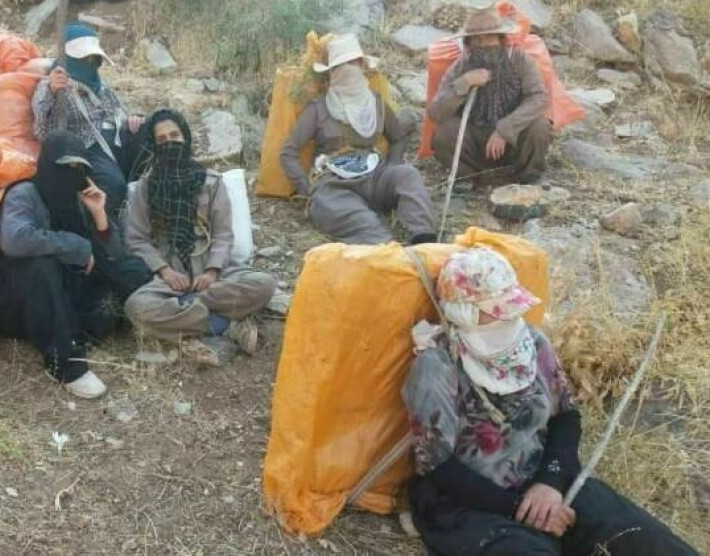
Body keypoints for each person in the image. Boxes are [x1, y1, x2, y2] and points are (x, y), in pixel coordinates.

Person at [402, 248, 699, 556]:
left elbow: (566, 416)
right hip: (469, 503)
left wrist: (551, 482)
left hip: (543, 479)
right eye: (498, 310)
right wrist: (523, 509)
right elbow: (437, 468)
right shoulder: (436, 368)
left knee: (637, 535)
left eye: (512, 306)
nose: (510, 316)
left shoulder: (531, 343)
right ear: (465, 314)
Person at [0, 130, 152, 399]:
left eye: (79, 168)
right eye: (65, 166)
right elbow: (14, 239)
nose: (71, 175)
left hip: (68, 286)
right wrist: (76, 246)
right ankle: (64, 364)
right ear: (48, 164)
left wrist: (99, 214)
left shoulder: (77, 199)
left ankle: (74, 327)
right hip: (23, 298)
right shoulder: (25, 193)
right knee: (43, 267)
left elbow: (114, 253)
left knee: (132, 272)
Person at [125, 110, 275, 366]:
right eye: (162, 139)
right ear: (154, 145)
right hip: (171, 275)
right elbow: (137, 239)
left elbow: (223, 234)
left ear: (185, 137)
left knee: (264, 284)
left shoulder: (211, 182)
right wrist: (166, 272)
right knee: (136, 308)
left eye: (175, 135)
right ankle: (223, 323)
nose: (170, 142)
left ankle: (187, 314)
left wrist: (212, 272)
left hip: (212, 272)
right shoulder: (146, 187)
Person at [280, 34, 437, 246]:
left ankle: (424, 239)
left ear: (362, 66)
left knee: (407, 175)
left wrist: (392, 166)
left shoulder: (376, 103)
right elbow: (288, 152)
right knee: (336, 208)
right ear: (332, 73)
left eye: (353, 63)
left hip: (376, 176)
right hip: (335, 185)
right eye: (341, 65)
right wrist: (306, 189)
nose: (348, 70)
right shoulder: (318, 108)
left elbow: (398, 137)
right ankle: (385, 248)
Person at [31, 23, 146, 217]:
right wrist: (52, 92)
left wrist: (134, 119)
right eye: (84, 58)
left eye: (93, 58)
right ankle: (106, 225)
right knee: (114, 186)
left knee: (154, 128)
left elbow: (119, 110)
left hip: (117, 137)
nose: (90, 63)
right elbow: (43, 130)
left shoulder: (100, 84)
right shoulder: (52, 85)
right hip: (90, 145)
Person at [429, 8, 551, 187]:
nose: (483, 44)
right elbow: (436, 112)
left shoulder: (520, 60)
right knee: (444, 133)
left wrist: (505, 129)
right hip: (475, 140)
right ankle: (468, 177)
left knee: (539, 126)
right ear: (468, 43)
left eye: (489, 38)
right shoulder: (460, 66)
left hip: (514, 139)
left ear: (501, 39)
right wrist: (464, 83)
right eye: (477, 39)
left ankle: (530, 175)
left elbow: (539, 98)